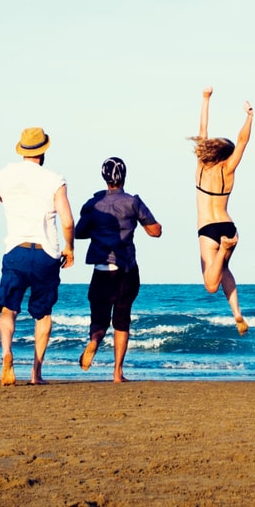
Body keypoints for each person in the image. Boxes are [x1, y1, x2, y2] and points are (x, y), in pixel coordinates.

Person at [0, 126, 75, 386]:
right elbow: (68, 221)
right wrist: (69, 248)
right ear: (44, 150)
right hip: (45, 252)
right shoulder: (54, 178)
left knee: (8, 310)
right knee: (43, 314)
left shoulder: (3, 175)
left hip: (15, 249)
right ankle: (35, 373)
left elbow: (1, 199)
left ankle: (7, 354)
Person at [75, 156, 162, 383]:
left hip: (101, 269)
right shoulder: (132, 202)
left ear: (104, 178)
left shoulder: (93, 204)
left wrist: (98, 228)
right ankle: (117, 373)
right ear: (124, 176)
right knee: (122, 320)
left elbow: (78, 232)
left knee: (99, 319)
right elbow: (155, 231)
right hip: (125, 268)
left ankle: (94, 341)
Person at [191, 86, 252, 335]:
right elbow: (243, 141)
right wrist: (249, 116)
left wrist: (205, 99)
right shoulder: (228, 171)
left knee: (210, 284)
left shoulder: (202, 167)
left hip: (208, 229)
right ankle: (237, 312)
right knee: (224, 268)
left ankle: (224, 249)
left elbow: (202, 131)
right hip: (228, 226)